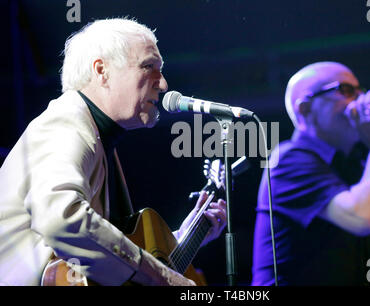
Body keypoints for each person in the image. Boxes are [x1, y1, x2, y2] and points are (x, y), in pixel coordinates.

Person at [0, 18, 227, 286]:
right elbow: (60, 219)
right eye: (148, 67)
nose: (163, 84)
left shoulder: (98, 136)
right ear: (101, 70)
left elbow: (103, 253)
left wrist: (179, 239)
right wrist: (163, 276)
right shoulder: (66, 124)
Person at [252, 61, 370, 285]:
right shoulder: (288, 161)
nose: (359, 101)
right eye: (346, 90)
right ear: (306, 108)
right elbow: (362, 220)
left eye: (360, 91)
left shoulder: (347, 163)